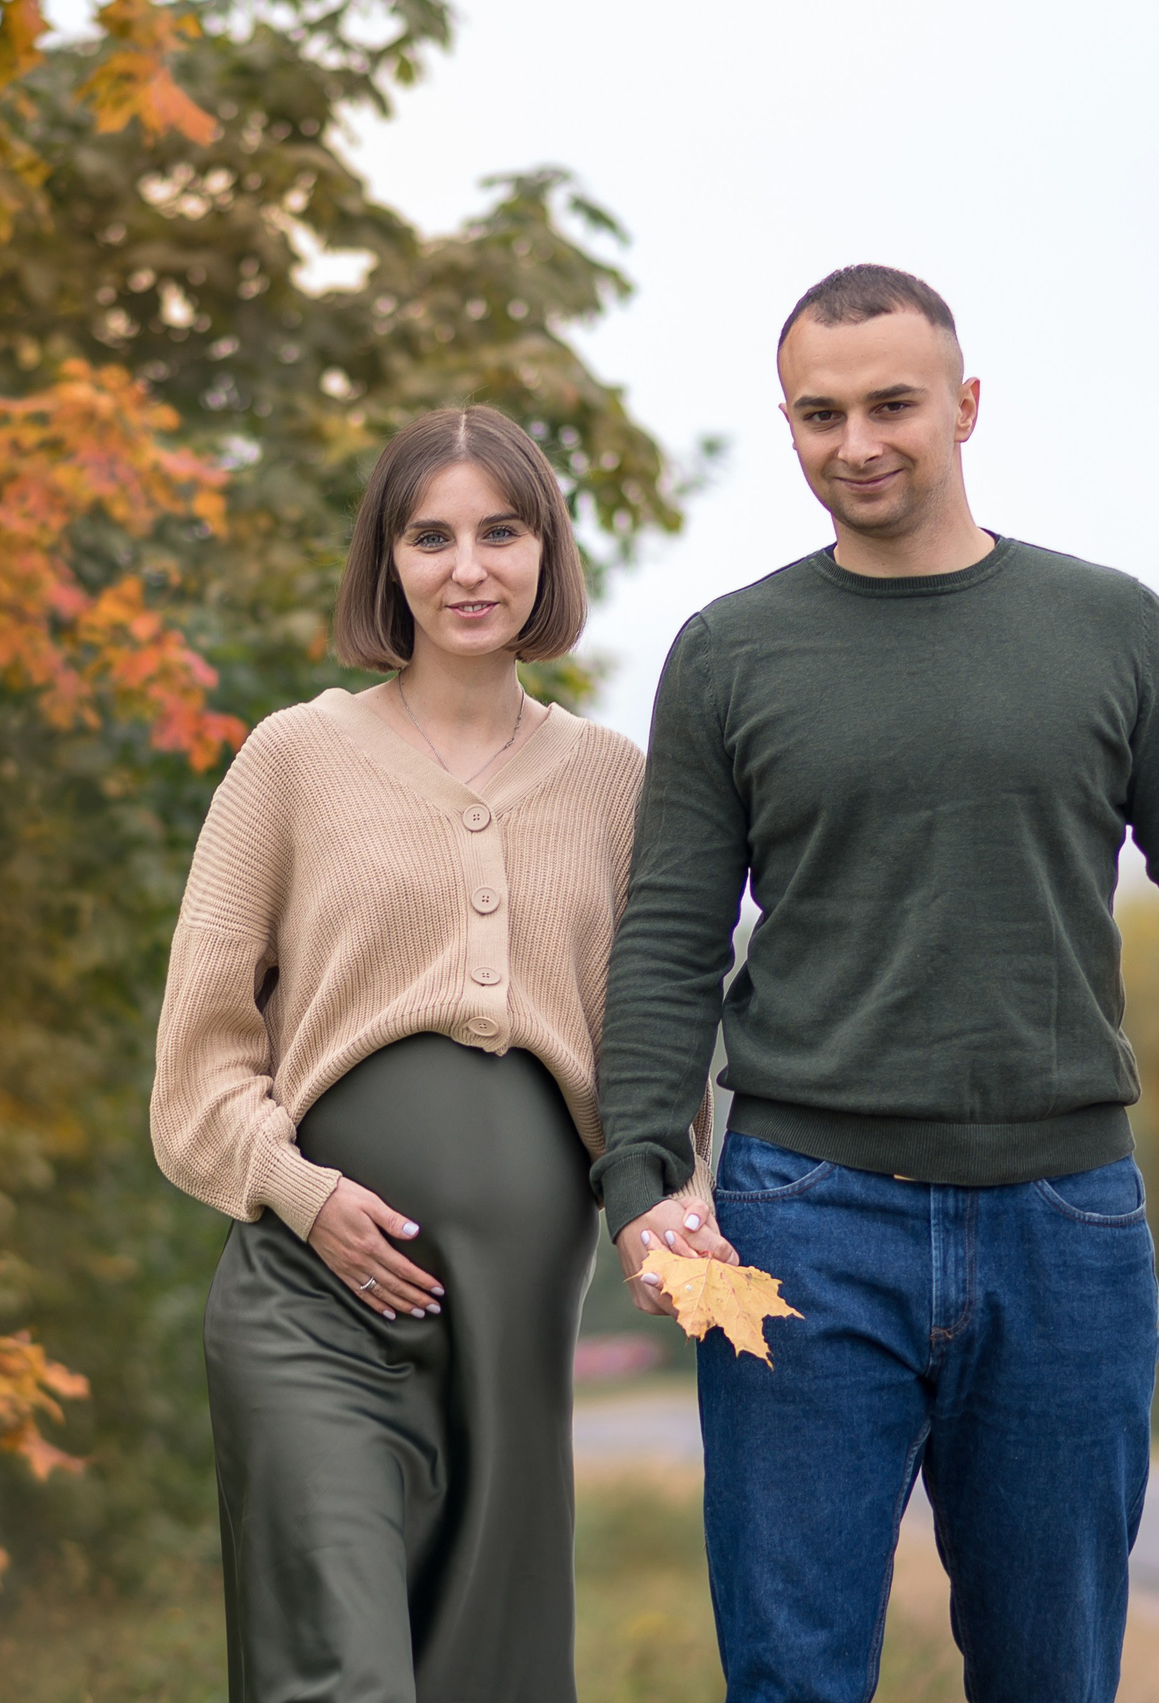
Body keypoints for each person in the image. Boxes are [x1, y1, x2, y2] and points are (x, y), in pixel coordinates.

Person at [594, 265, 1159, 1703]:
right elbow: (669, 938)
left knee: (1052, 1677)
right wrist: (643, 1178)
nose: (854, 441)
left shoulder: (1112, 630)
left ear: (966, 406)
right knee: (793, 1680)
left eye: (891, 405)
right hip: (797, 1225)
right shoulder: (732, 653)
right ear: (788, 424)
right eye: (819, 413)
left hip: (1068, 1226)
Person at [152, 404, 712, 1703]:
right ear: (386, 563)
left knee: (489, 1681)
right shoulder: (292, 761)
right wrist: (301, 1192)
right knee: (342, 1676)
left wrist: (672, 1194)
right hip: (314, 1295)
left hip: (519, 1321)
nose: (469, 567)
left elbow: (660, 1046)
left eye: (501, 531)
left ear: (545, 552)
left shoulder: (615, 784)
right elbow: (196, 1066)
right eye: (432, 535)